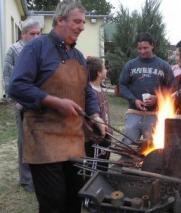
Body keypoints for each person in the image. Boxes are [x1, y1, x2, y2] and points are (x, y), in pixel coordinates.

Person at [8, 1, 105, 212]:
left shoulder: (78, 57)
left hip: (73, 139)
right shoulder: (36, 47)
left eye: (83, 22)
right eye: (77, 21)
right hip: (44, 138)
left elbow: (86, 91)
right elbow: (16, 86)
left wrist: (96, 115)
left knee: (75, 200)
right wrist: (54, 102)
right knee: (54, 203)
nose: (81, 27)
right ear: (60, 20)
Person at [3, 18, 41, 192]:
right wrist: (16, 101)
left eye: (38, 33)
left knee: (39, 140)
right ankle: (26, 180)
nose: (36, 36)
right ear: (23, 34)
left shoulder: (41, 50)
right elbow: (7, 78)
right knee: (24, 141)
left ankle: (40, 175)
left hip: (39, 102)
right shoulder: (14, 50)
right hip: (22, 104)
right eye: (32, 34)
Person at [119, 32, 175, 145]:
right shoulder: (130, 65)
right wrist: (134, 100)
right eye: (139, 48)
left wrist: (158, 98)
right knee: (128, 147)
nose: (142, 51)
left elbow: (172, 89)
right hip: (133, 113)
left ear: (152, 46)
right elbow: (122, 86)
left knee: (152, 149)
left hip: (154, 115)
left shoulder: (164, 66)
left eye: (145, 48)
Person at [85, 57, 111, 173]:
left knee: (103, 167)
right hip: (96, 139)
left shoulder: (101, 89)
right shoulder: (90, 91)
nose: (107, 70)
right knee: (95, 169)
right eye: (104, 68)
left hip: (106, 136)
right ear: (99, 73)